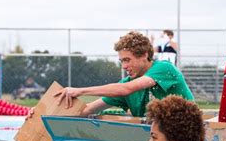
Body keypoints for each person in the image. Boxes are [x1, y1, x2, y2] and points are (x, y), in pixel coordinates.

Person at [55, 31, 193, 117]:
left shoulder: (164, 68)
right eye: (121, 61)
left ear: (144, 55)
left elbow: (125, 89)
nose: (124, 66)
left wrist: (80, 91)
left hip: (187, 135)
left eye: (127, 60)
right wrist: (39, 113)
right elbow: (85, 111)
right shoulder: (126, 85)